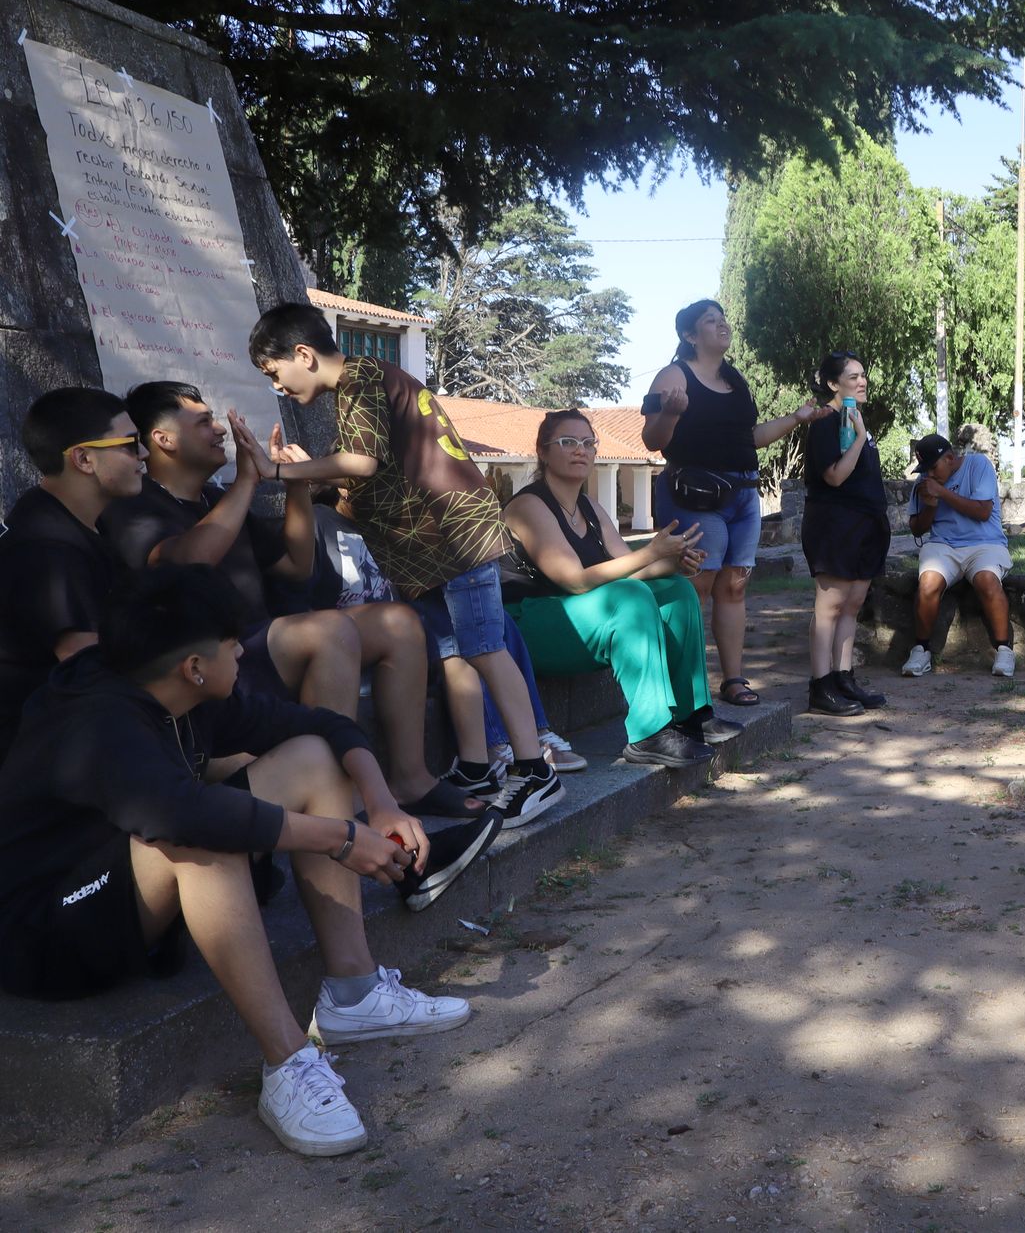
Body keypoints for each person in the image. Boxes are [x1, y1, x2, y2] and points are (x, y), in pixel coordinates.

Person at [0, 565, 473, 1157]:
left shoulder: (181, 689)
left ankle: (354, 994)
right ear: (193, 666)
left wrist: (378, 803)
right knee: (202, 832)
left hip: (125, 887)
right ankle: (286, 1064)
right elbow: (185, 816)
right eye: (233, 647)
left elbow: (320, 724)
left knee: (310, 756)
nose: (243, 656)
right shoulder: (99, 719)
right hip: (50, 930)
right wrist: (340, 838)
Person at [247, 303, 561, 831]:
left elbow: (362, 463)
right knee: (452, 651)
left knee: (484, 646)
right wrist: (310, 477)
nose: (279, 388)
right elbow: (371, 478)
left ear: (302, 354)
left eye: (276, 374)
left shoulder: (360, 379)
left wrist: (278, 470)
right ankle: (476, 767)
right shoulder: (365, 389)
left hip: (455, 535)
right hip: (430, 553)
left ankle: (534, 771)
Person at [100, 381, 445, 811]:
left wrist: (294, 484)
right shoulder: (137, 503)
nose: (221, 431)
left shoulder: (216, 497)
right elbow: (187, 562)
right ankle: (338, 799)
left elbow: (296, 566)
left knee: (399, 622)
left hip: (260, 647)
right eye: (204, 421)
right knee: (330, 630)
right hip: (211, 661)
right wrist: (249, 480)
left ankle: (411, 780)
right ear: (163, 439)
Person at [306, 485, 586, 814]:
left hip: (426, 591)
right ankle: (500, 750)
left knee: (489, 630)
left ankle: (528, 740)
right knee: (471, 639)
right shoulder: (325, 520)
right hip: (380, 629)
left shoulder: (388, 522)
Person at [502, 409, 740, 768]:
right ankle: (649, 733)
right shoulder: (528, 505)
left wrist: (672, 563)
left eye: (587, 443)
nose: (580, 450)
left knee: (676, 590)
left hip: (577, 613)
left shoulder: (591, 508)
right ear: (543, 451)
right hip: (528, 624)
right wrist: (649, 552)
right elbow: (574, 579)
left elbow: (629, 570)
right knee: (629, 598)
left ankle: (692, 716)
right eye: (567, 442)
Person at [640, 299, 831, 709]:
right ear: (690, 335)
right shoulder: (674, 375)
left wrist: (796, 419)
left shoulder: (735, 380)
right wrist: (671, 414)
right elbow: (653, 441)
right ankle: (685, 685)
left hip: (744, 495)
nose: (722, 324)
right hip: (695, 496)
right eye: (711, 320)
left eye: (722, 318)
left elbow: (751, 439)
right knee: (697, 586)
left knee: (735, 585)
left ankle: (733, 680)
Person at [0, 387, 145, 759]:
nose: (143, 455)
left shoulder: (86, 521)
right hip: (50, 754)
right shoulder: (47, 545)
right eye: (130, 443)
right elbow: (85, 662)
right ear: (83, 459)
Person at [801, 352, 891, 716]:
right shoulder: (826, 422)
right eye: (853, 376)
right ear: (832, 384)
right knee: (830, 608)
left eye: (864, 374)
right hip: (835, 525)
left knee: (852, 604)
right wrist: (860, 437)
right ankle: (820, 686)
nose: (862, 381)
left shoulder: (854, 419)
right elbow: (835, 476)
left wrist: (860, 432)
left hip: (866, 524)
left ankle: (844, 678)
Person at [902, 429, 1018, 678]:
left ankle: (1004, 650)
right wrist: (931, 506)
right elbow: (916, 528)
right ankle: (921, 650)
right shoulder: (925, 485)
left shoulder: (978, 465)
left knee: (988, 581)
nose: (929, 475)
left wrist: (942, 493)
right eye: (924, 470)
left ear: (950, 459)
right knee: (929, 583)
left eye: (933, 468)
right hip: (943, 546)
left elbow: (983, 511)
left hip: (985, 544)